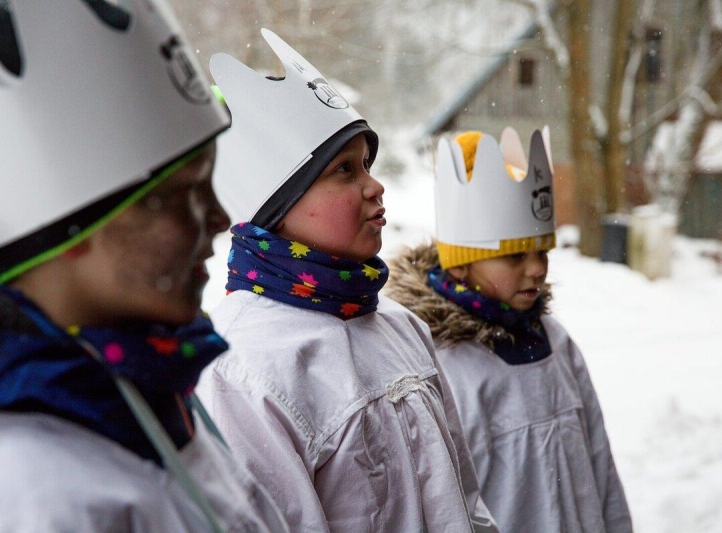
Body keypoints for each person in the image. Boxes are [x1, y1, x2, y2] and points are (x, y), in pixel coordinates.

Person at [0, 2, 288, 531]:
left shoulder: (155, 381)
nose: (220, 218)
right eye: (183, 195)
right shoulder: (21, 490)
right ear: (74, 228)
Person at [197, 29, 499, 533]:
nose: (375, 185)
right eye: (344, 170)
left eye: (367, 164)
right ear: (277, 205)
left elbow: (466, 505)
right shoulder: (242, 367)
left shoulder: (401, 327)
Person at [385, 129, 634, 533]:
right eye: (515, 255)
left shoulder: (556, 342)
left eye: (543, 252)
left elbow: (600, 463)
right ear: (461, 264)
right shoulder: (440, 364)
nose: (536, 268)